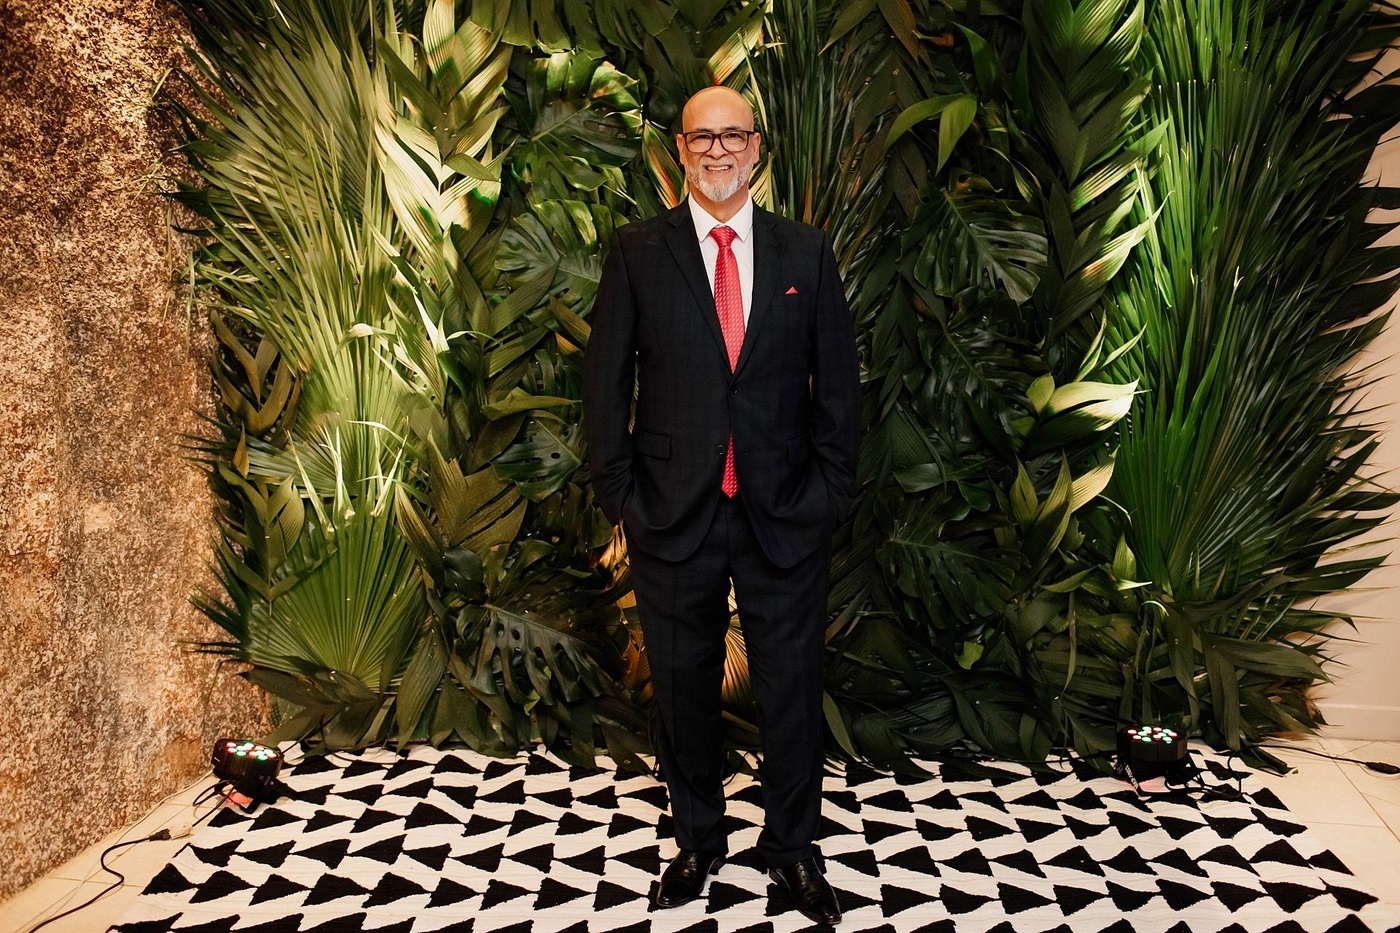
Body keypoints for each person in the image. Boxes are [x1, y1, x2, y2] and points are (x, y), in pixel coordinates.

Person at [582, 85, 861, 926]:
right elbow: (606, 387)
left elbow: (838, 390)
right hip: (672, 513)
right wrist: (623, 496)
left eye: (732, 135)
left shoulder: (805, 253)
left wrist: (826, 494)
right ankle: (699, 840)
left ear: (756, 147)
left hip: (784, 511)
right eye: (701, 137)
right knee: (683, 690)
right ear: (680, 150)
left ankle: (793, 850)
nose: (717, 150)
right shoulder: (639, 251)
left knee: (791, 690)